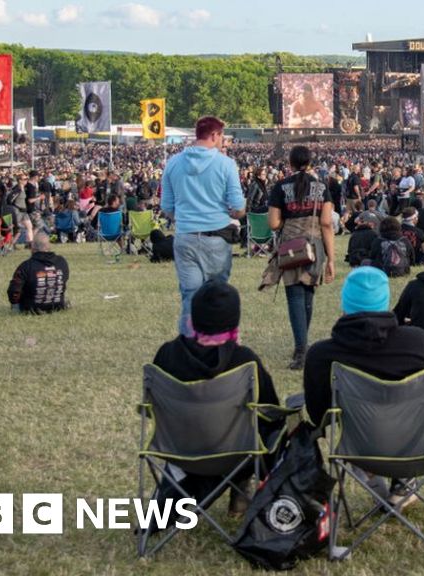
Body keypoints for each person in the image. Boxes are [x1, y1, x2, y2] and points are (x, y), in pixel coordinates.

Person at [303, 267, 424, 507]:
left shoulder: (322, 355)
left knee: (354, 417)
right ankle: (402, 483)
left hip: (359, 449)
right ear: (384, 303)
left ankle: (377, 483)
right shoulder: (419, 343)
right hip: (421, 449)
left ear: (345, 304)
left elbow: (318, 414)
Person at [150, 280, 281, 519]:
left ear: (194, 317)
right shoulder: (245, 361)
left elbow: (153, 410)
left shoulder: (167, 354)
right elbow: (272, 411)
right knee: (272, 430)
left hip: (180, 451)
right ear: (235, 320)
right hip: (236, 454)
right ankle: (244, 487)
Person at [161, 116, 246, 337]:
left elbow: (167, 207)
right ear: (215, 135)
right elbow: (238, 206)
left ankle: (189, 347)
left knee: (190, 295)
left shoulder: (173, 162)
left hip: (185, 236)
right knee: (217, 295)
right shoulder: (225, 164)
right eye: (222, 137)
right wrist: (231, 213)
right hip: (216, 237)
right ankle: (218, 343)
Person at [267, 145, 336, 370]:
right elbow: (326, 223)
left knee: (295, 297)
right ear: (310, 162)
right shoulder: (322, 187)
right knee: (307, 296)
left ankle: (301, 350)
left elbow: (274, 223)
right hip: (315, 245)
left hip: (290, 246)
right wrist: (332, 259)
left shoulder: (280, 186)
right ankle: (302, 345)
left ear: (290, 163)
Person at [7, 233, 69, 314]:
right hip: (58, 305)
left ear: (32, 247)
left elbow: (14, 291)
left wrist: (16, 304)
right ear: (49, 246)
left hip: (31, 307)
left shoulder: (26, 266)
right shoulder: (62, 262)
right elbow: (63, 282)